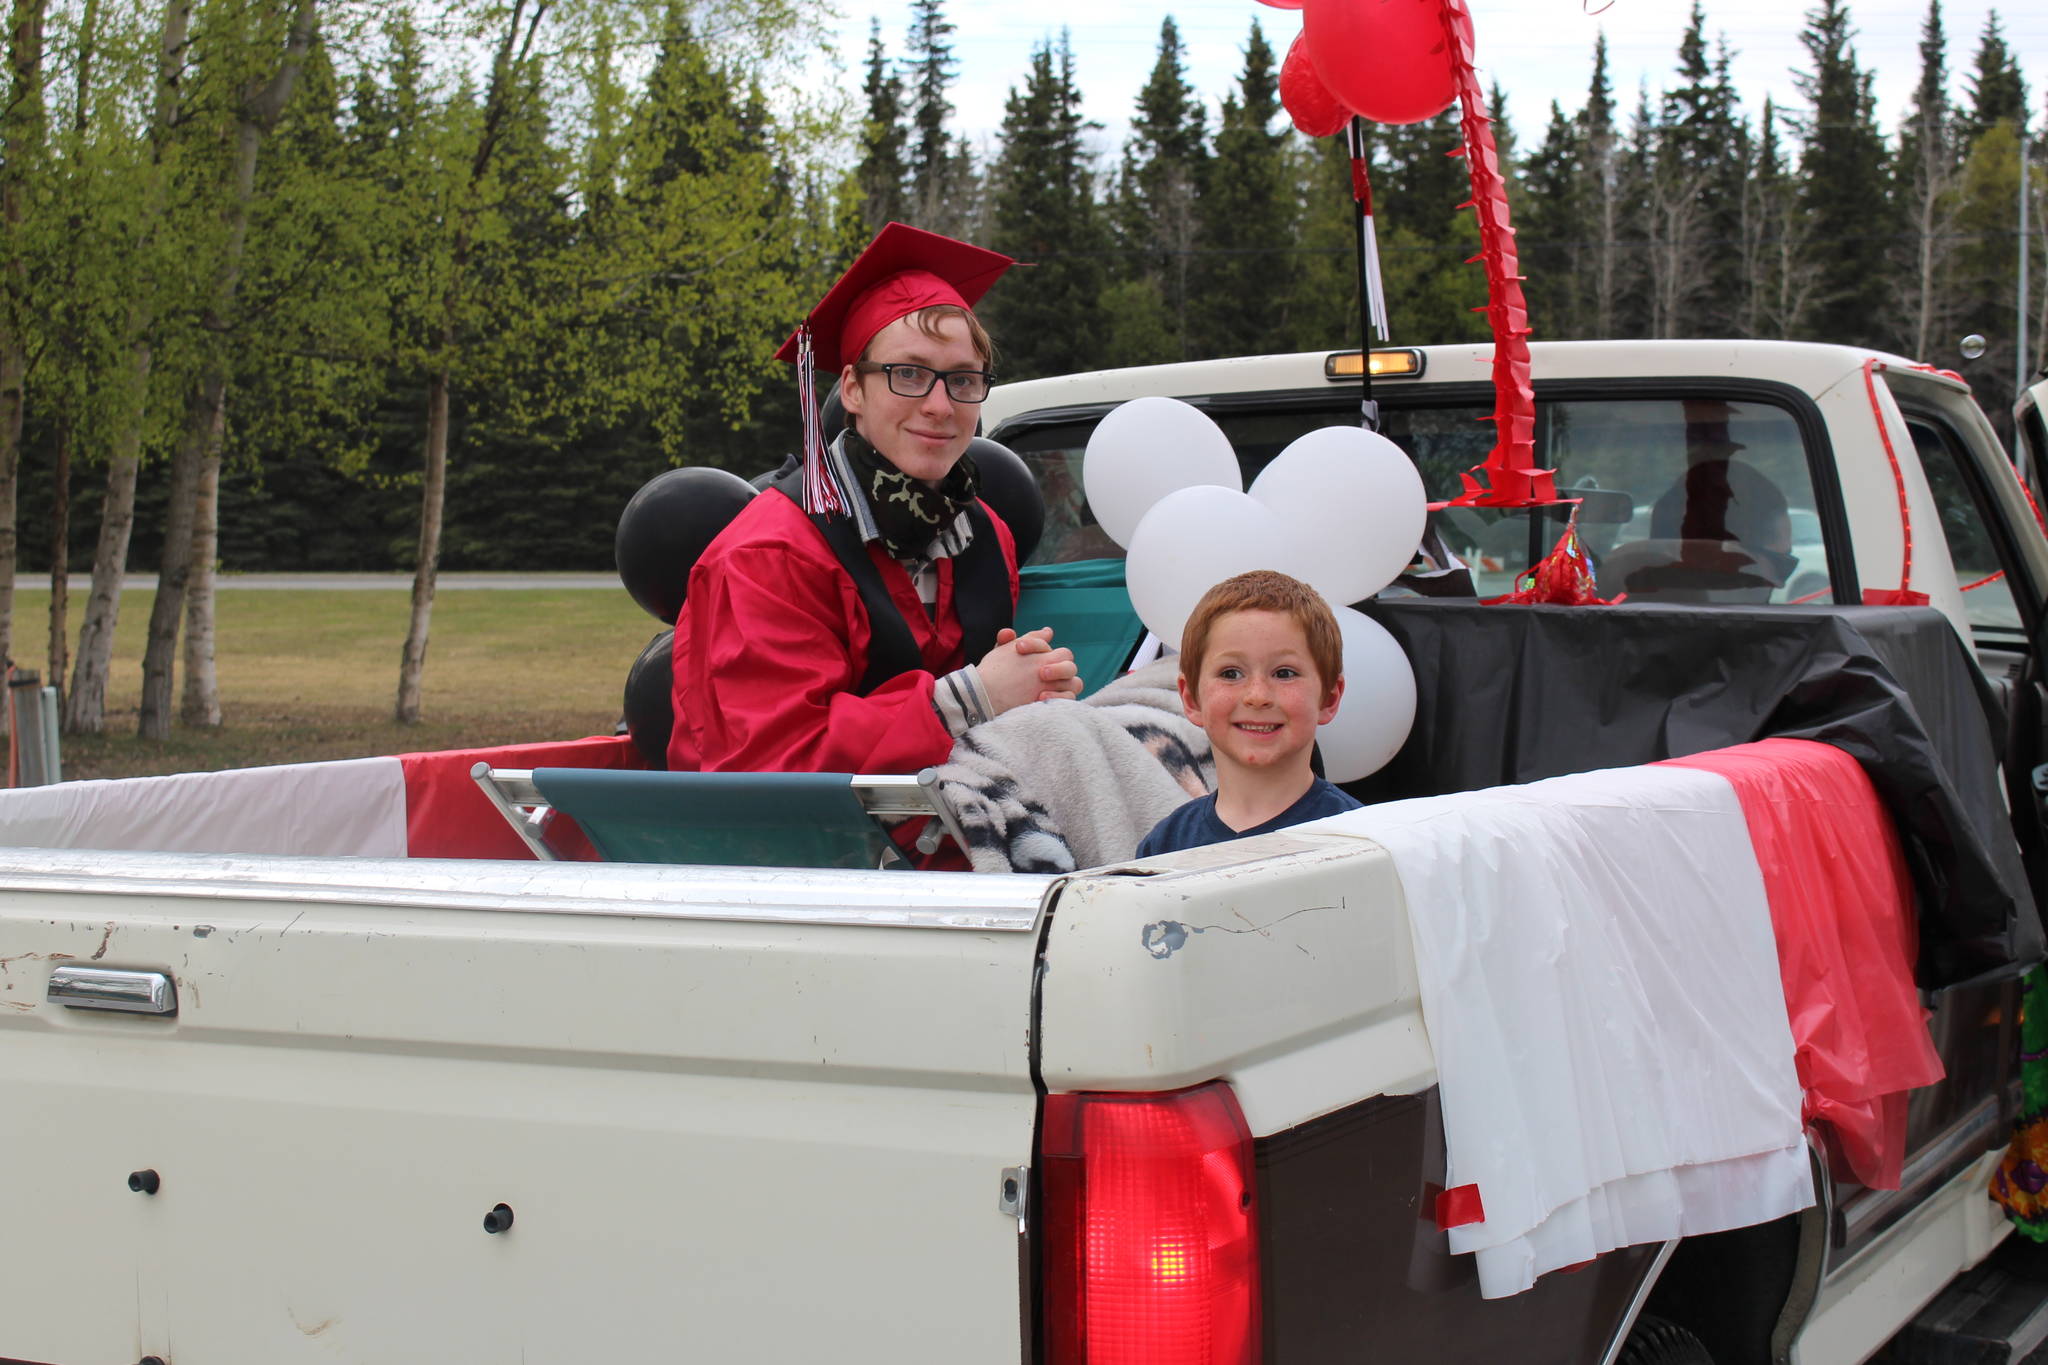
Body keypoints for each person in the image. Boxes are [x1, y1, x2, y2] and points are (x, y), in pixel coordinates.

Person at [667, 223, 1081, 778]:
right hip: (798, 856)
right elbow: (771, 764)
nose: (940, 405)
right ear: (854, 390)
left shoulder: (986, 534)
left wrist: (1033, 690)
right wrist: (974, 697)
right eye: (908, 374)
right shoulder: (769, 554)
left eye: (962, 380)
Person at [1135, 570, 1362, 858]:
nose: (1257, 696)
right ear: (1192, 699)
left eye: (1284, 673)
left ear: (1329, 698)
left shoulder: (1361, 842)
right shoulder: (1165, 845)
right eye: (1231, 673)